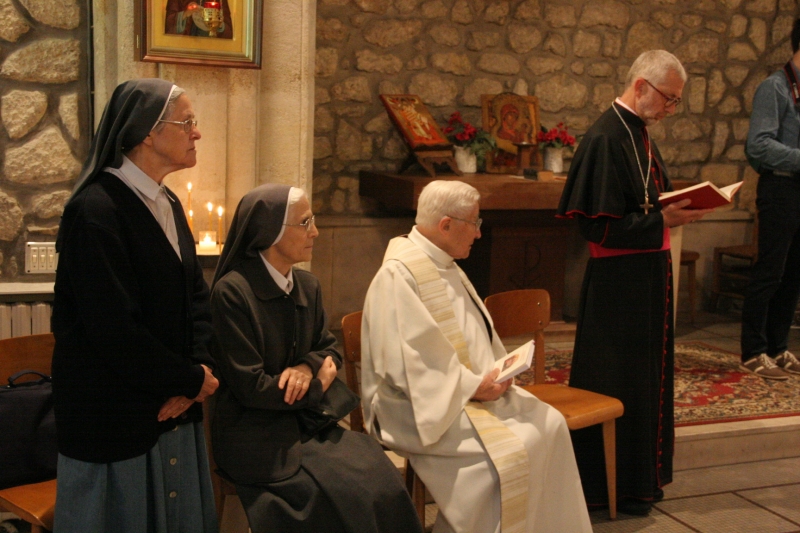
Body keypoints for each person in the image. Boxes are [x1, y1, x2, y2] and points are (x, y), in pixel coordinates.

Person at [361, 180, 592, 533]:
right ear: (446, 225)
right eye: (475, 223)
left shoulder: (444, 263)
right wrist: (473, 385)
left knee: (551, 425)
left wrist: (495, 373)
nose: (479, 234)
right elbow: (407, 363)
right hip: (414, 407)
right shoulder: (400, 274)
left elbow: (472, 337)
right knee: (509, 455)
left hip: (458, 392)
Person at [52, 79, 219, 532]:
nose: (196, 133)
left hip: (171, 408)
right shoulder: (95, 211)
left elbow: (195, 300)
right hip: (112, 419)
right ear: (147, 132)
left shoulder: (167, 202)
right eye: (187, 122)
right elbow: (112, 329)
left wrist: (196, 375)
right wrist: (186, 379)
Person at [209, 184, 424, 533]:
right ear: (271, 231)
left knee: (381, 477)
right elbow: (252, 387)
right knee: (340, 495)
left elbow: (328, 349)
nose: (316, 232)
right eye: (305, 222)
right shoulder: (233, 292)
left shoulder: (307, 285)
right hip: (258, 433)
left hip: (307, 423)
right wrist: (318, 382)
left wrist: (305, 367)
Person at [556, 50, 713, 516]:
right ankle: (606, 488)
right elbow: (596, 227)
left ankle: (638, 483)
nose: (670, 109)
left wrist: (674, 208)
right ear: (641, 85)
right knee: (618, 382)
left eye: (676, 101)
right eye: (669, 98)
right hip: (618, 290)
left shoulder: (639, 133)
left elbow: (643, 203)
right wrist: (663, 219)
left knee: (644, 383)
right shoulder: (606, 137)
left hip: (645, 281)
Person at [740, 19, 800, 380]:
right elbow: (758, 147)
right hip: (779, 189)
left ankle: (778, 348)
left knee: (794, 275)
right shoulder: (774, 88)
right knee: (770, 272)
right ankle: (752, 350)